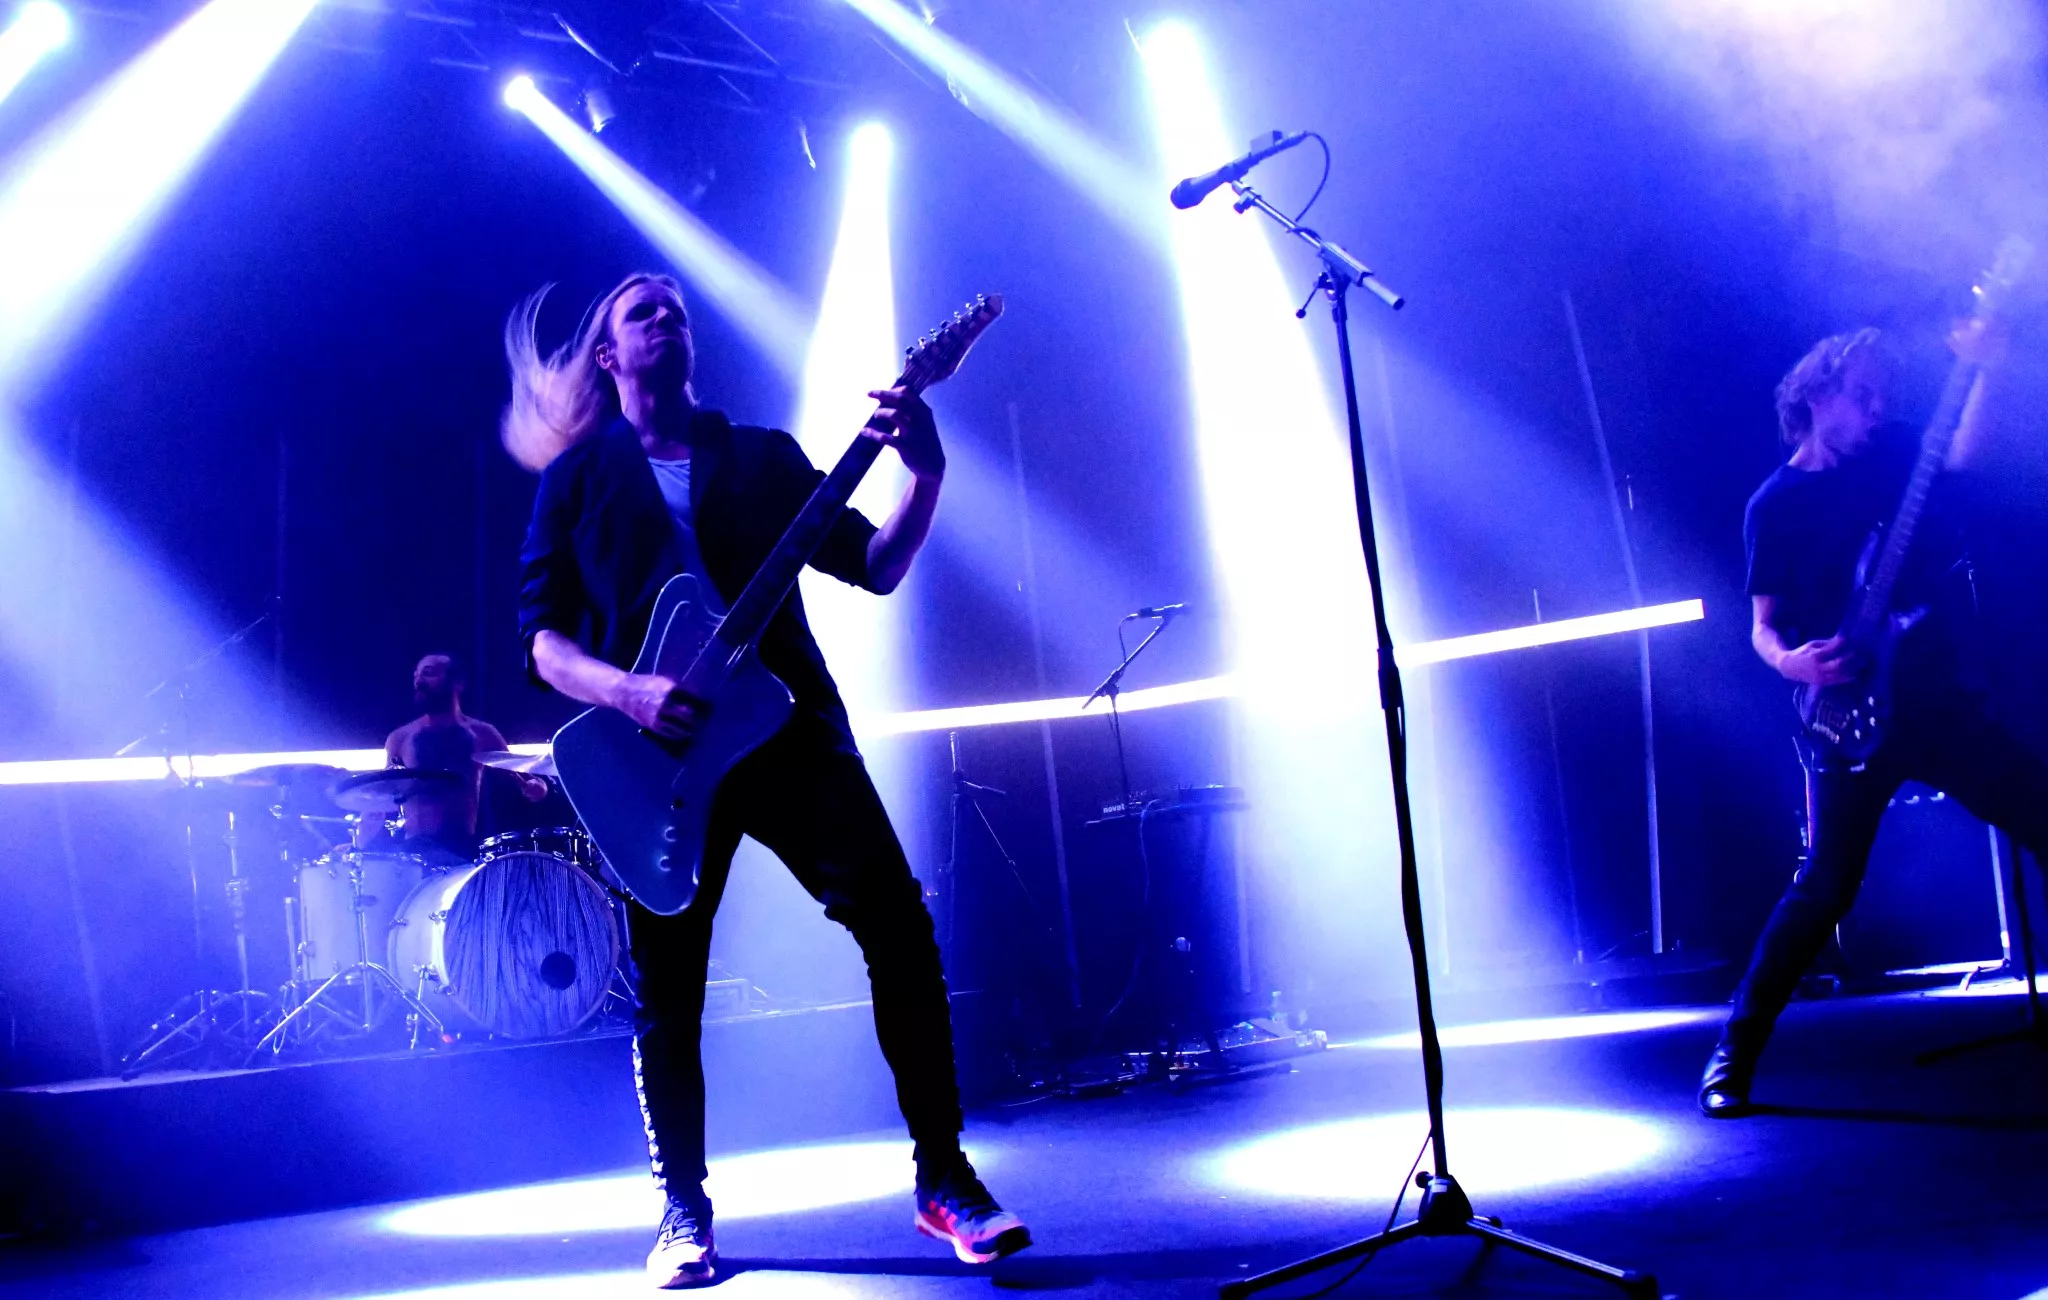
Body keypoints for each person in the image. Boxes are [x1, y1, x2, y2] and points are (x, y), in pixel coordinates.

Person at [507, 272, 1029, 1287]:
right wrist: (629, 692)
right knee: (667, 991)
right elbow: (542, 643)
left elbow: (876, 564)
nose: (666, 316)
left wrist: (924, 475)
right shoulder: (576, 479)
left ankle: (945, 1176)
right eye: (641, 310)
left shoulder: (761, 457)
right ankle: (683, 1209)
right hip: (658, 759)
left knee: (898, 926)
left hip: (790, 731)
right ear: (609, 355)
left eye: (676, 308)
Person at [1700, 320, 2048, 1117]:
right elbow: (1762, 627)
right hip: (1846, 713)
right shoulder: (1775, 506)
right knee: (1825, 887)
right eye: (1861, 396)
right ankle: (1733, 1055)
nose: (1875, 411)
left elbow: (1961, 456)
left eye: (1882, 397)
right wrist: (1793, 663)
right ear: (1816, 396)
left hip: (1934, 700)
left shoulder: (1892, 456)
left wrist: (1983, 370)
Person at [370, 654, 539, 864]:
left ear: (457, 683)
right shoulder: (399, 738)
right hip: (414, 853)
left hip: (463, 850)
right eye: (416, 675)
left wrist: (536, 787)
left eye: (428, 673)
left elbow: (525, 778)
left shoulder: (482, 733)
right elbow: (383, 796)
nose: (419, 681)